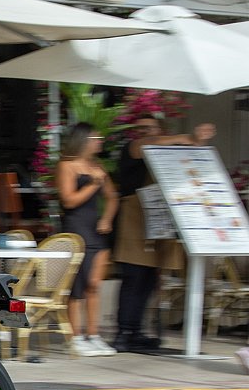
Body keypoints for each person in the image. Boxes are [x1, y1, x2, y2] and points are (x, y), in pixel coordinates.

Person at [112, 113, 217, 352]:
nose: (144, 132)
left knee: (149, 280)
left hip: (157, 219)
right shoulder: (133, 147)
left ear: (160, 129)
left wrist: (198, 140)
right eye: (139, 128)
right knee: (133, 277)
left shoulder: (166, 148)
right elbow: (147, 144)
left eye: (149, 128)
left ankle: (136, 331)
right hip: (133, 220)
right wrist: (187, 137)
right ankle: (123, 333)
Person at [55, 123, 119, 356]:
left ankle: (94, 334)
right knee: (77, 286)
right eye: (95, 138)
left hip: (96, 230)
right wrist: (93, 184)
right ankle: (76, 336)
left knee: (94, 284)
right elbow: (69, 200)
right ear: (83, 140)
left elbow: (112, 196)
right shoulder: (66, 165)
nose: (99, 142)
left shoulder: (97, 167)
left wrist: (107, 219)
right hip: (76, 229)